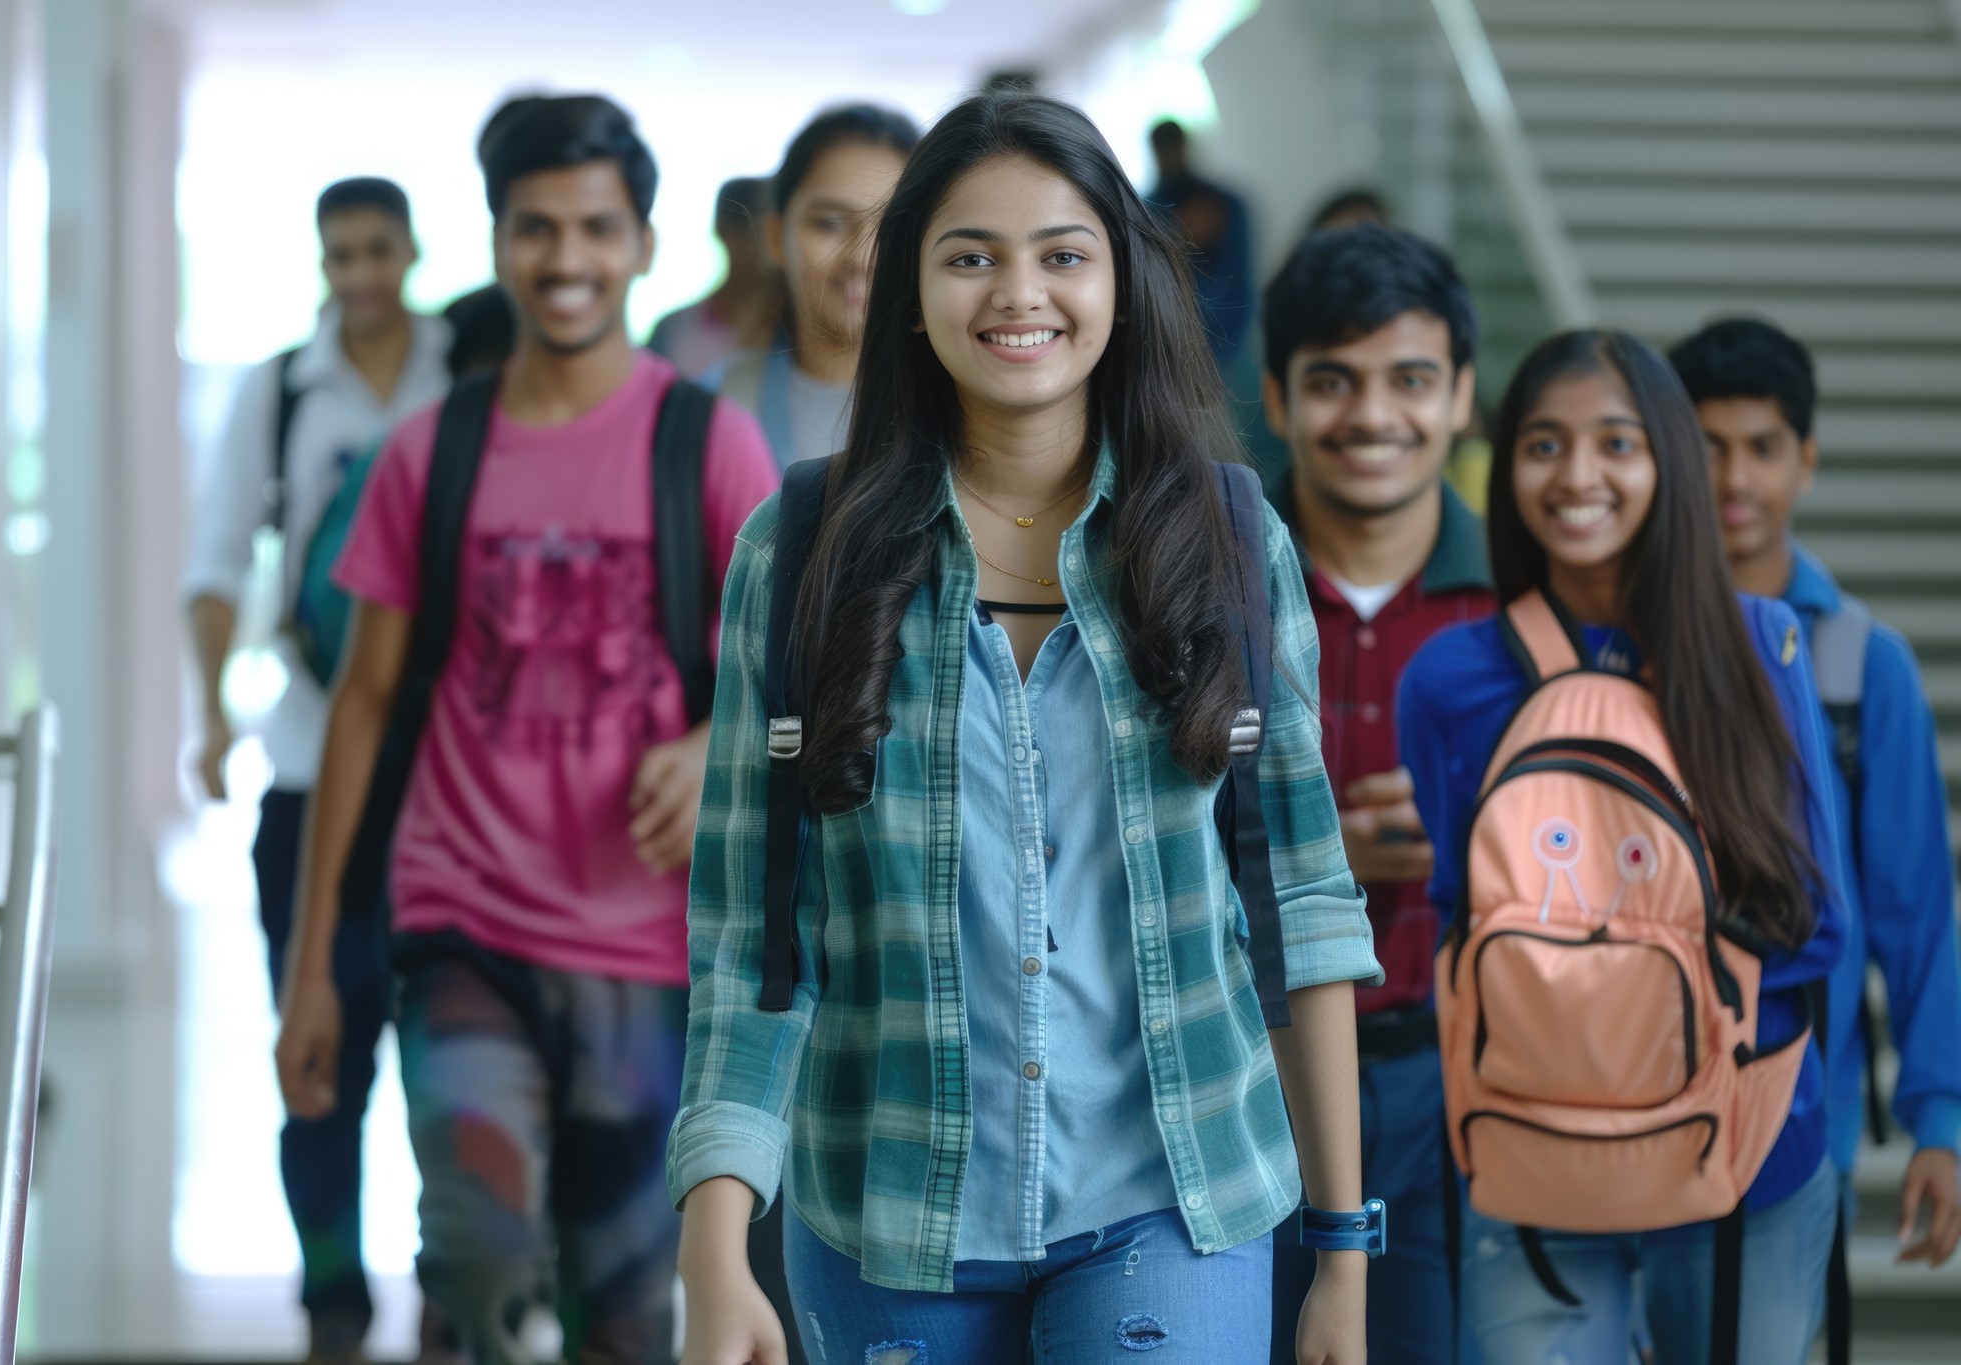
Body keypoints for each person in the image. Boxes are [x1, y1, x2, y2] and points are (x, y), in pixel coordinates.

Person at [668, 89, 1380, 1365]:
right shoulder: (801, 552)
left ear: (1121, 278)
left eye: (1061, 253)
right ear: (910, 290)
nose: (1019, 293)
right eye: (968, 255)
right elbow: (750, 938)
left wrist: (1340, 1249)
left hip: (1171, 1196)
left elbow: (1300, 906)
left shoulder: (1222, 542)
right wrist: (713, 1249)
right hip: (886, 1216)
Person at [271, 95, 780, 1364]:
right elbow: (366, 702)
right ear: (496, 241)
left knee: (620, 1307)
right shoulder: (427, 453)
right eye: (536, 229)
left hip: (644, 954)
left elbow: (792, 687)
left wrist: (707, 741)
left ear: (645, 244)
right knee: (479, 1262)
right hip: (462, 929)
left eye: (597, 230)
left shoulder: (706, 446)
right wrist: (311, 966)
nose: (567, 260)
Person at [1399, 329, 1848, 1362]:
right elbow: (1456, 912)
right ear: (1504, 464)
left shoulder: (1758, 649)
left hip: (1744, 1147)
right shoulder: (1446, 679)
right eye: (1543, 445)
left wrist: (1584, 996)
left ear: (1668, 464)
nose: (1577, 476)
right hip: (1526, 1143)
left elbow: (1819, 925)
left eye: (1616, 443)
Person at [182, 174, 451, 1364]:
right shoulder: (284, 387)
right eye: (337, 255)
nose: (357, 275)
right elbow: (215, 560)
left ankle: (456, 1287)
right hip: (305, 765)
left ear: (410, 250)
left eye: (376, 251)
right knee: (320, 1053)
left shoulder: (469, 364)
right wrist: (208, 717)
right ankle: (333, 1301)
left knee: (457, 1045)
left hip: (455, 773)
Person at [1670, 318, 1961, 1271]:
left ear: (1808, 459)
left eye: (1762, 447)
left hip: (1803, 1114)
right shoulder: (1614, 645)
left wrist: (1941, 1118)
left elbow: (1917, 911)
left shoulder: (1860, 665)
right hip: (1628, 1101)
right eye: (1708, 446)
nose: (1735, 478)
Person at [1257, 225, 1489, 1365]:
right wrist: (1314, 858)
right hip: (1241, 1082)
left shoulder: (1522, 604)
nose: (1371, 416)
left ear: (1459, 398)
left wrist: (1474, 843)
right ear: (1276, 394)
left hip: (1466, 1083)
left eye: (1408, 381)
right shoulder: (1196, 583)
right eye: (1331, 382)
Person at [718, 106, 917, 471]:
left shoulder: (975, 412)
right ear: (776, 237)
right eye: (829, 223)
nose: (862, 257)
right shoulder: (710, 409)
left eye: (893, 226)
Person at [1146, 119, 1254, 371]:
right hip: (1168, 340)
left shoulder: (1226, 205)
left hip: (1230, 337)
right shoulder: (1146, 211)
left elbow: (1239, 275)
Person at [648, 177, 781, 382]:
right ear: (724, 232)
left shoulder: (797, 334)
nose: (772, 248)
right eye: (761, 233)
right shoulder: (672, 330)